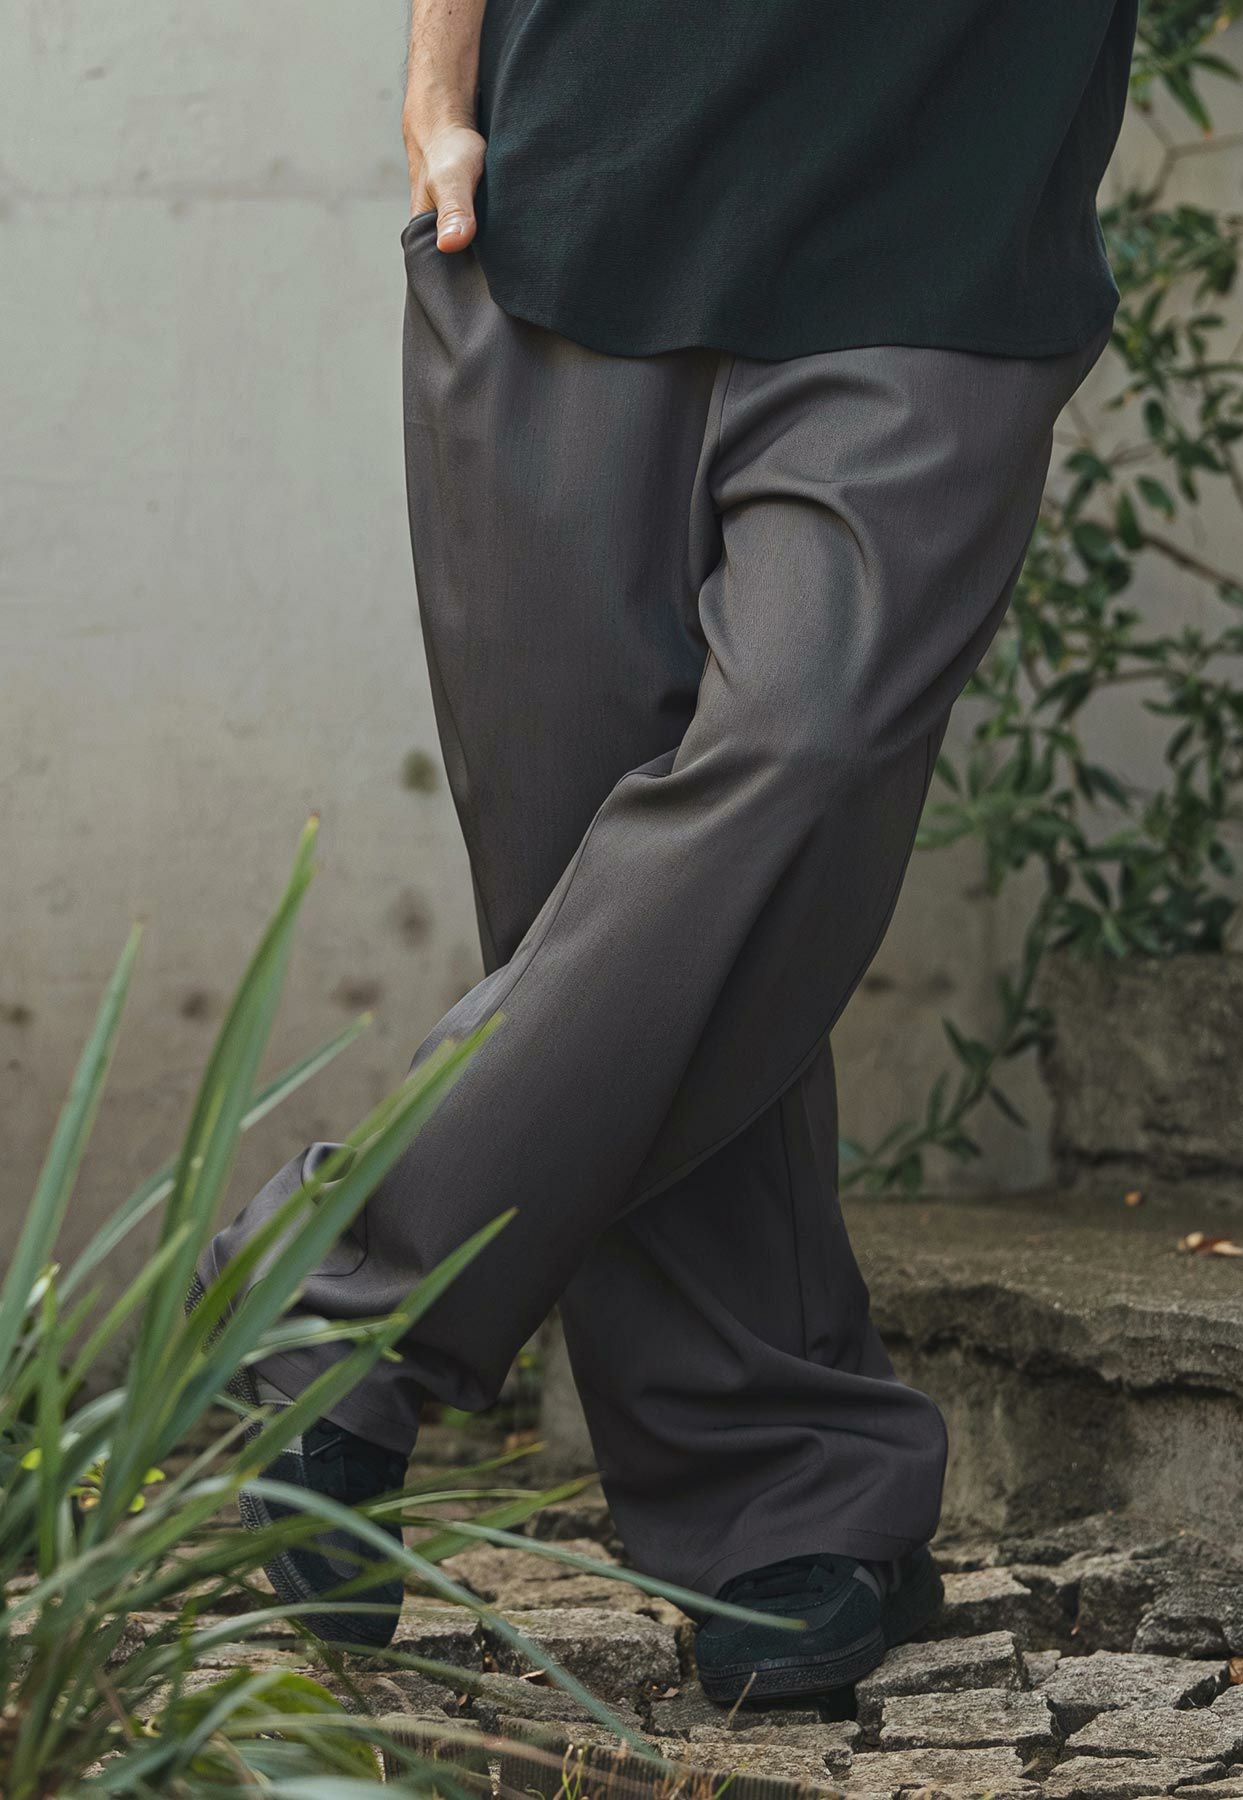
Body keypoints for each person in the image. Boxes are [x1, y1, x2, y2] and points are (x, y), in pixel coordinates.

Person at [198, 0, 1137, 1703]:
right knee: (609, 908)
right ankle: (776, 1481)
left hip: (937, 214)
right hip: (564, 194)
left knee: (799, 756)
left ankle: (335, 1304)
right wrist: (437, 91)